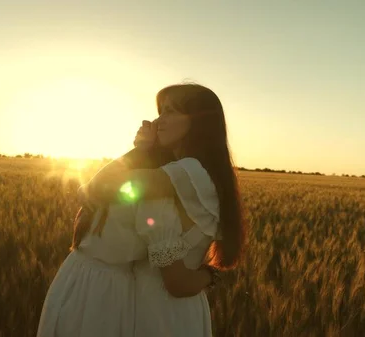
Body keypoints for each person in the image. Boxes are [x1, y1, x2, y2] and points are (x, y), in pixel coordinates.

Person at [76, 83, 247, 336]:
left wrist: (140, 150)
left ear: (199, 122)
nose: (158, 121)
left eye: (170, 112)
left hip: (160, 315)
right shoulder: (197, 172)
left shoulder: (190, 173)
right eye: (160, 111)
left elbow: (98, 188)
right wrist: (208, 276)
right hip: (169, 310)